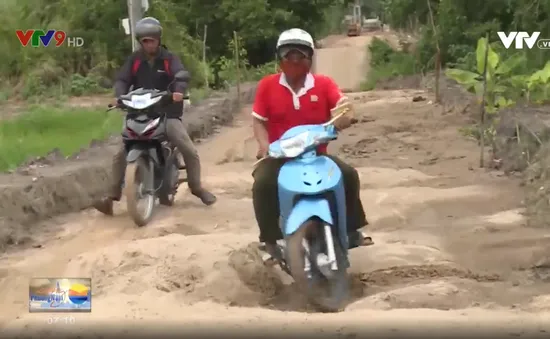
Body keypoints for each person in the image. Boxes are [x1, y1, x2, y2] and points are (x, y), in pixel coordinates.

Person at [252, 28, 370, 259]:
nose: (295, 60)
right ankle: (270, 241)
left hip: (315, 154)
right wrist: (263, 145)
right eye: (289, 54)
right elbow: (259, 121)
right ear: (280, 58)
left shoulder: (324, 84)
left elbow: (342, 106)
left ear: (310, 58)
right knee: (262, 183)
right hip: (280, 157)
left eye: (301, 54)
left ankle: (351, 230)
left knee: (348, 174)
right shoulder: (267, 85)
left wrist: (346, 115)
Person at [93, 17, 217, 215]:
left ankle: (197, 187)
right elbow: (123, 80)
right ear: (140, 42)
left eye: (151, 40)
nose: (148, 44)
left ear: (158, 40)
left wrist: (178, 91)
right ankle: (111, 196)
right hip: (139, 113)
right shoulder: (134, 60)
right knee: (119, 154)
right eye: (144, 41)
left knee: (189, 149)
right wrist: (119, 96)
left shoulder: (169, 59)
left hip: (166, 113)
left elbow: (181, 74)